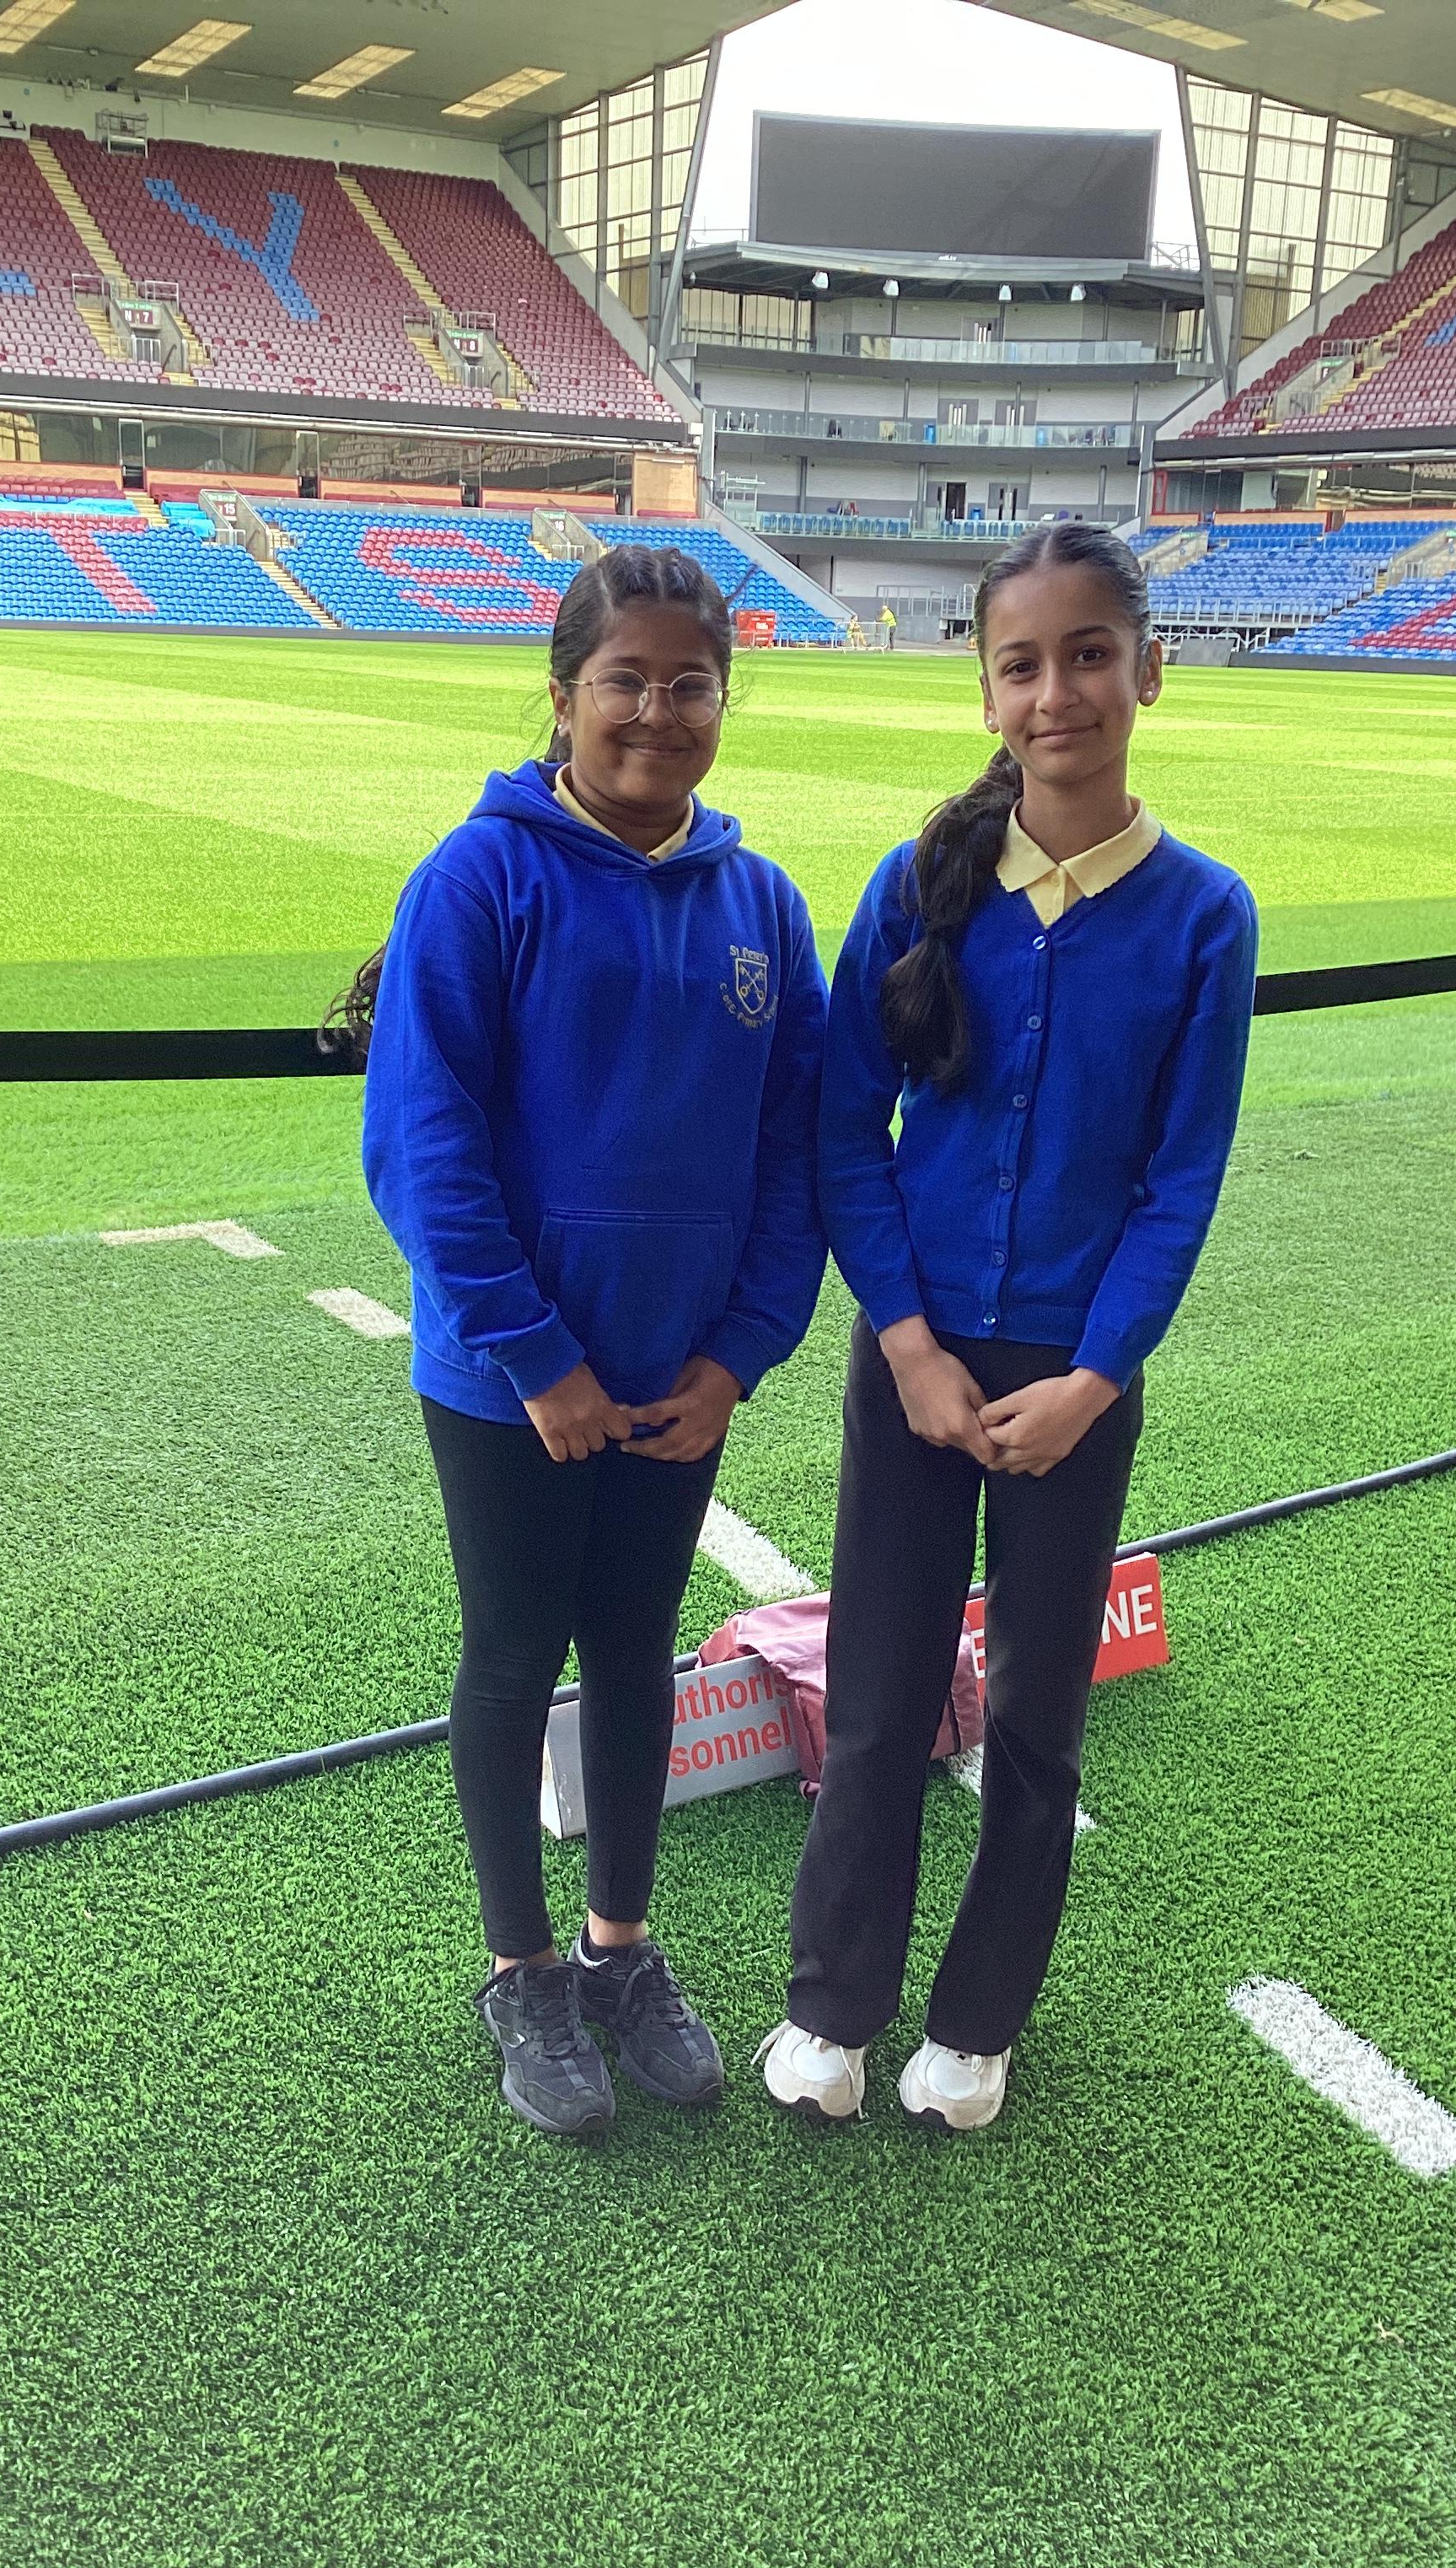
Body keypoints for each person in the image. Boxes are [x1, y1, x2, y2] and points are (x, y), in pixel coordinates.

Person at [758, 522, 1257, 2135]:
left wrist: (1096, 1380)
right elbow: (847, 1132)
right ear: (985, 691)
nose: (1059, 694)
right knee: (880, 1695)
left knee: (1039, 1717)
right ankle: (833, 2003)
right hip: (911, 1366)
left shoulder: (1205, 916)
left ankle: (978, 2026)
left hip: (1075, 1384)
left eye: (1089, 656)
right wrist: (907, 1344)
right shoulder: (918, 889)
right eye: (1023, 664)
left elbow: (1178, 1185)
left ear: (1148, 672)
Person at [355, 547, 828, 2140]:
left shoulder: (763, 904)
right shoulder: (477, 881)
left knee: (636, 1652)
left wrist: (739, 1355)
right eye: (626, 680)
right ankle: (524, 1972)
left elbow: (798, 1156)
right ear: (564, 697)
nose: (657, 712)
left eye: (692, 685)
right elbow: (424, 1150)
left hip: (680, 1381)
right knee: (513, 1656)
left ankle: (621, 1950)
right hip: (511, 1386)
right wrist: (535, 1357)